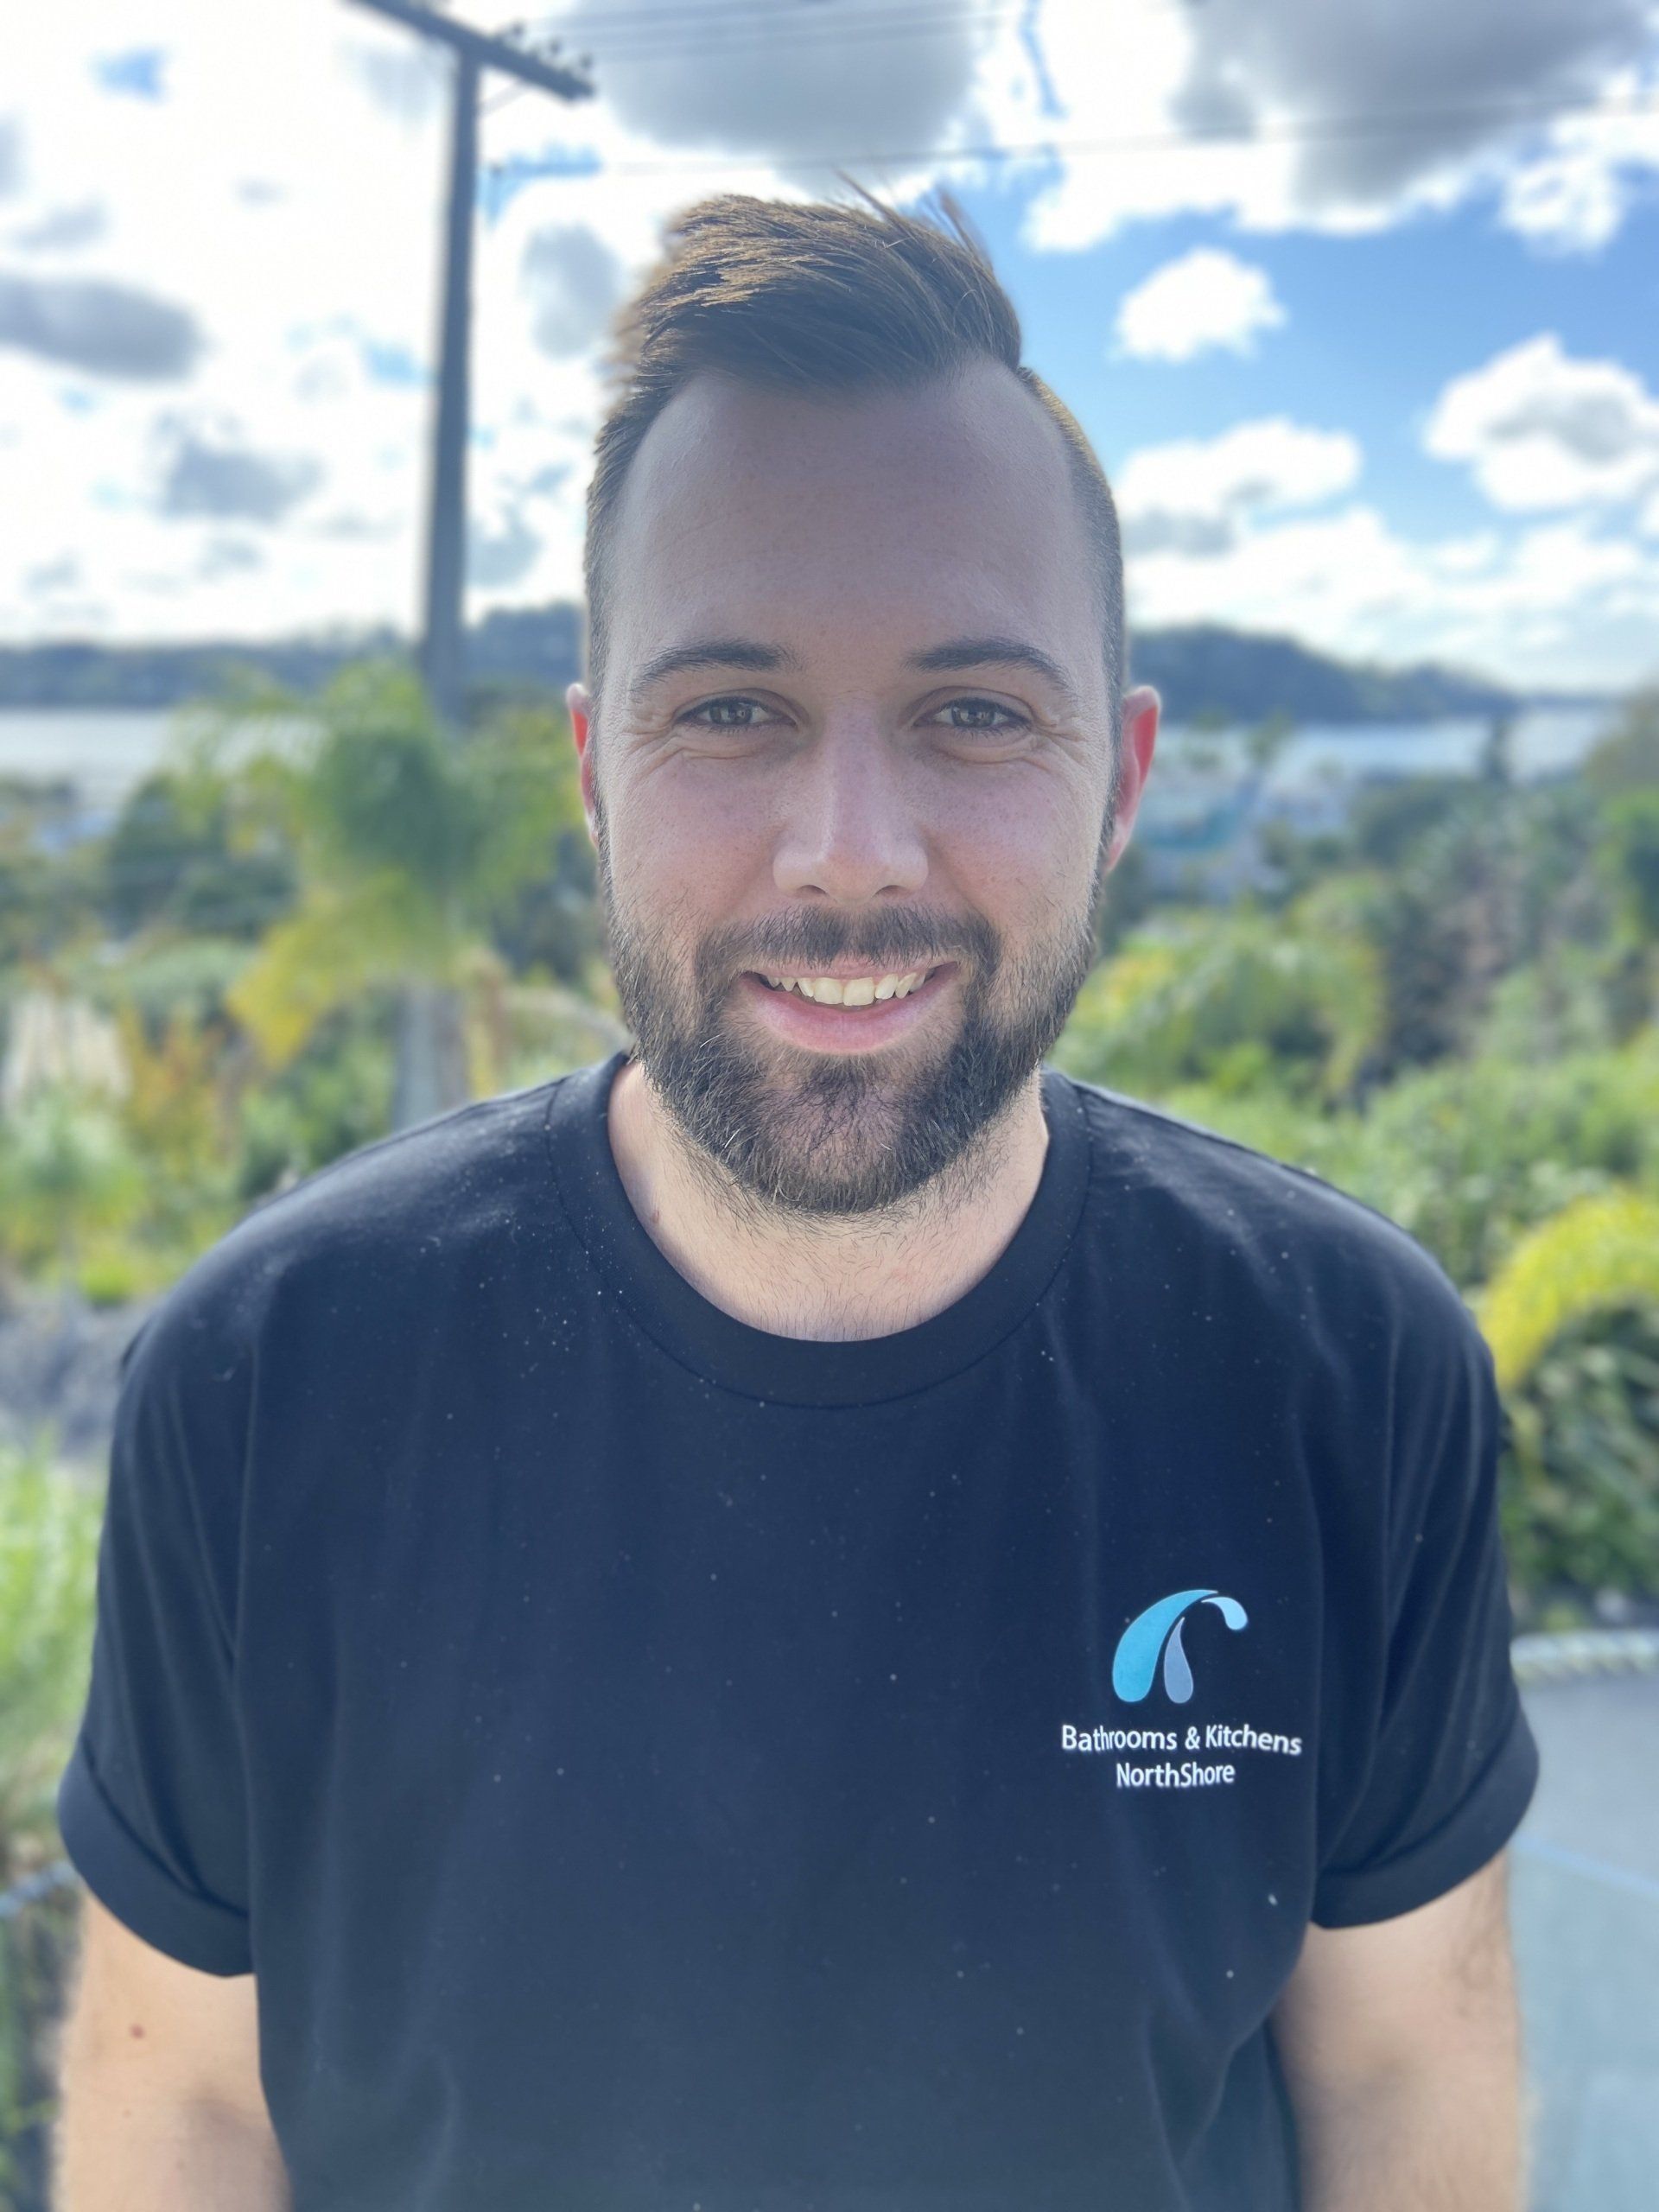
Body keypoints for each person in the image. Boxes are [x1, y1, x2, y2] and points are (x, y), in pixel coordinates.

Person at [52, 184, 1539, 2212]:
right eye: (731, 708)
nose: (848, 851)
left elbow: (1403, 2098)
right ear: (594, 766)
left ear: (1122, 778)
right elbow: (192, 2115)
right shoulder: (265, 1379)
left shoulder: (1350, 1378)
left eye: (976, 711)